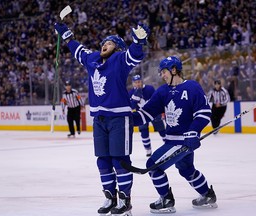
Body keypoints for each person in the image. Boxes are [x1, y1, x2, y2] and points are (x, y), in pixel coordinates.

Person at [54, 21, 150, 215]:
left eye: (110, 43)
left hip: (118, 119)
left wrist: (138, 42)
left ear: (118, 49)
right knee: (103, 161)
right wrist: (67, 36)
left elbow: (135, 55)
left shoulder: (120, 60)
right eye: (104, 43)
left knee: (120, 161)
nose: (104, 45)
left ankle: (124, 200)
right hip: (99, 119)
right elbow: (78, 51)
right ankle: (110, 197)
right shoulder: (92, 59)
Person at [132, 56, 218, 213]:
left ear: (173, 70)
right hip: (173, 141)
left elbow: (204, 112)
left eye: (164, 71)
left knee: (153, 166)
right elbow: (147, 113)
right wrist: (128, 120)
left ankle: (166, 200)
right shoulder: (162, 91)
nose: (162, 75)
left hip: (183, 141)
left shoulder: (192, 87)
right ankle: (207, 195)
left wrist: (193, 132)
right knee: (186, 169)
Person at [129, 74, 166, 157]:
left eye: (139, 82)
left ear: (142, 81)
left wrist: (161, 111)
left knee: (162, 131)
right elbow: (131, 107)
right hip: (140, 115)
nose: (138, 84)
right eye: (136, 82)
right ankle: (148, 150)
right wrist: (135, 100)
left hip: (154, 113)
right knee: (144, 133)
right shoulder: (131, 93)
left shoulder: (150, 89)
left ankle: (169, 146)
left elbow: (157, 100)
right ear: (133, 83)